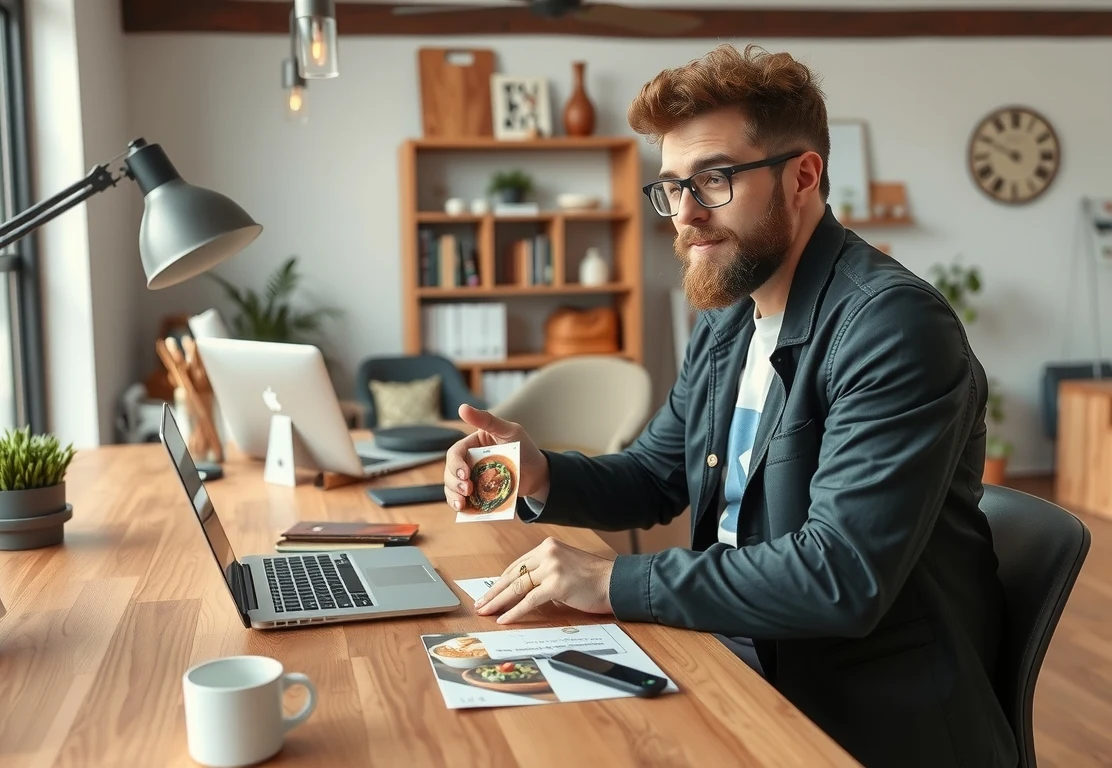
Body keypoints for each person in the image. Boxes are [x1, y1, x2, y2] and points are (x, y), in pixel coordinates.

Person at [442, 44, 1015, 768]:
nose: (683, 214)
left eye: (712, 180)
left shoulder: (893, 329)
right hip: (738, 657)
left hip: (860, 721)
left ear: (803, 176)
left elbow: (838, 575)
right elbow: (656, 476)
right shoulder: (727, 316)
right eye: (671, 186)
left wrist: (612, 579)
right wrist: (540, 473)